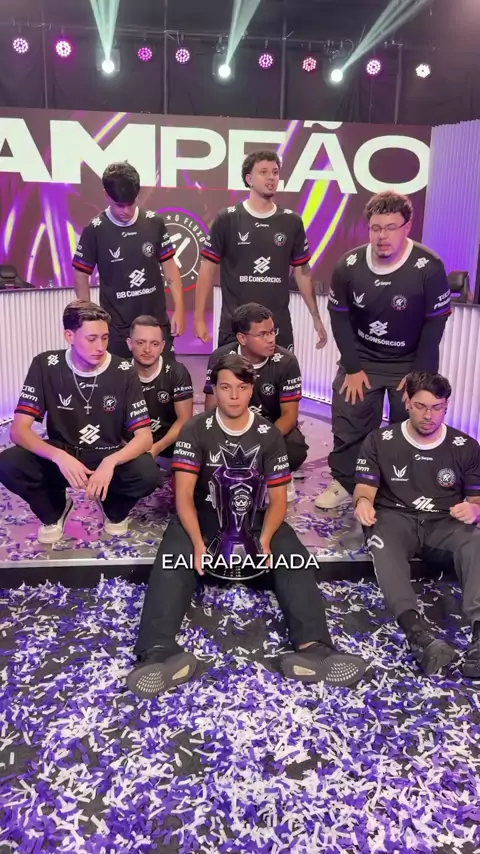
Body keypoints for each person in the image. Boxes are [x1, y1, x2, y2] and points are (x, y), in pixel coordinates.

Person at [127, 353, 367, 699]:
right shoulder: (195, 429)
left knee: (295, 559)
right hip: (203, 516)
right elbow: (183, 496)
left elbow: (278, 499)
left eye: (241, 388)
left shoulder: (268, 434)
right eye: (226, 388)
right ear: (215, 389)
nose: (234, 396)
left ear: (251, 389)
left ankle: (315, 647)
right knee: (170, 563)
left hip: (255, 518)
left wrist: (266, 539)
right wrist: (197, 543)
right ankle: (157, 652)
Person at [315, 190, 451, 510]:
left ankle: (399, 487)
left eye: (391, 227)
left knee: (412, 422)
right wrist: (351, 367)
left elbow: (435, 325)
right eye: (376, 228)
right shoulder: (348, 265)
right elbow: (339, 316)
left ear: (407, 227)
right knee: (350, 416)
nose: (382, 236)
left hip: (410, 361)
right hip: (363, 359)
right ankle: (345, 482)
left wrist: (419, 376)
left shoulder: (429, 267)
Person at [0, 301, 161, 545]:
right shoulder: (46, 365)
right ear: (69, 336)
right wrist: (58, 456)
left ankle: (113, 507)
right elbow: (19, 430)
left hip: (107, 452)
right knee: (9, 463)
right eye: (91, 338)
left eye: (105, 338)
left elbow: (145, 437)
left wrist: (110, 462)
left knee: (148, 473)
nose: (100, 347)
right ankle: (55, 510)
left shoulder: (123, 370)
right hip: (62, 453)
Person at [353, 372, 480, 679]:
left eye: (437, 408)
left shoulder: (465, 446)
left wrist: (474, 510)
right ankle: (418, 635)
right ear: (407, 402)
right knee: (382, 542)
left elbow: (477, 499)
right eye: (421, 406)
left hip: (445, 522)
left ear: (446, 406)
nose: (428, 415)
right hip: (396, 518)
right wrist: (363, 503)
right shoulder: (380, 441)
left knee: (475, 541)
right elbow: (364, 489)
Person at [193, 149, 328, 353]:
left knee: (282, 374)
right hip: (235, 327)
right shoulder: (227, 219)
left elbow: (302, 273)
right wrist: (198, 318)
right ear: (249, 179)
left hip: (277, 326)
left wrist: (316, 318)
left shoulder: (291, 221)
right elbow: (207, 268)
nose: (271, 177)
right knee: (232, 374)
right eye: (263, 172)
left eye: (275, 172)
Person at [72, 161, 185, 359]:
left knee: (164, 375)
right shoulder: (95, 230)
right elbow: (81, 274)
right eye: (119, 205)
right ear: (106, 195)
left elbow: (169, 266)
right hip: (117, 330)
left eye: (130, 204)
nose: (126, 211)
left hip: (156, 323)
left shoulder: (154, 222)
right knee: (120, 377)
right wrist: (88, 318)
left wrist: (180, 308)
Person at [203, 303, 308, 503]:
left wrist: (258, 442)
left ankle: (278, 475)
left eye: (272, 332)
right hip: (230, 428)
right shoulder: (221, 358)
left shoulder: (287, 361)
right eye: (262, 335)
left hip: (269, 429)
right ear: (242, 338)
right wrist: (233, 438)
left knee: (294, 447)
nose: (271, 339)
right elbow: (211, 408)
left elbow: (289, 416)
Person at [127, 315, 194, 462]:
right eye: (141, 342)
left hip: (168, 446)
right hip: (129, 447)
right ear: (129, 344)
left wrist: (156, 449)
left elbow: (184, 419)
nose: (147, 349)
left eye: (154, 344)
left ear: (163, 346)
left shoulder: (177, 372)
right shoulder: (120, 372)